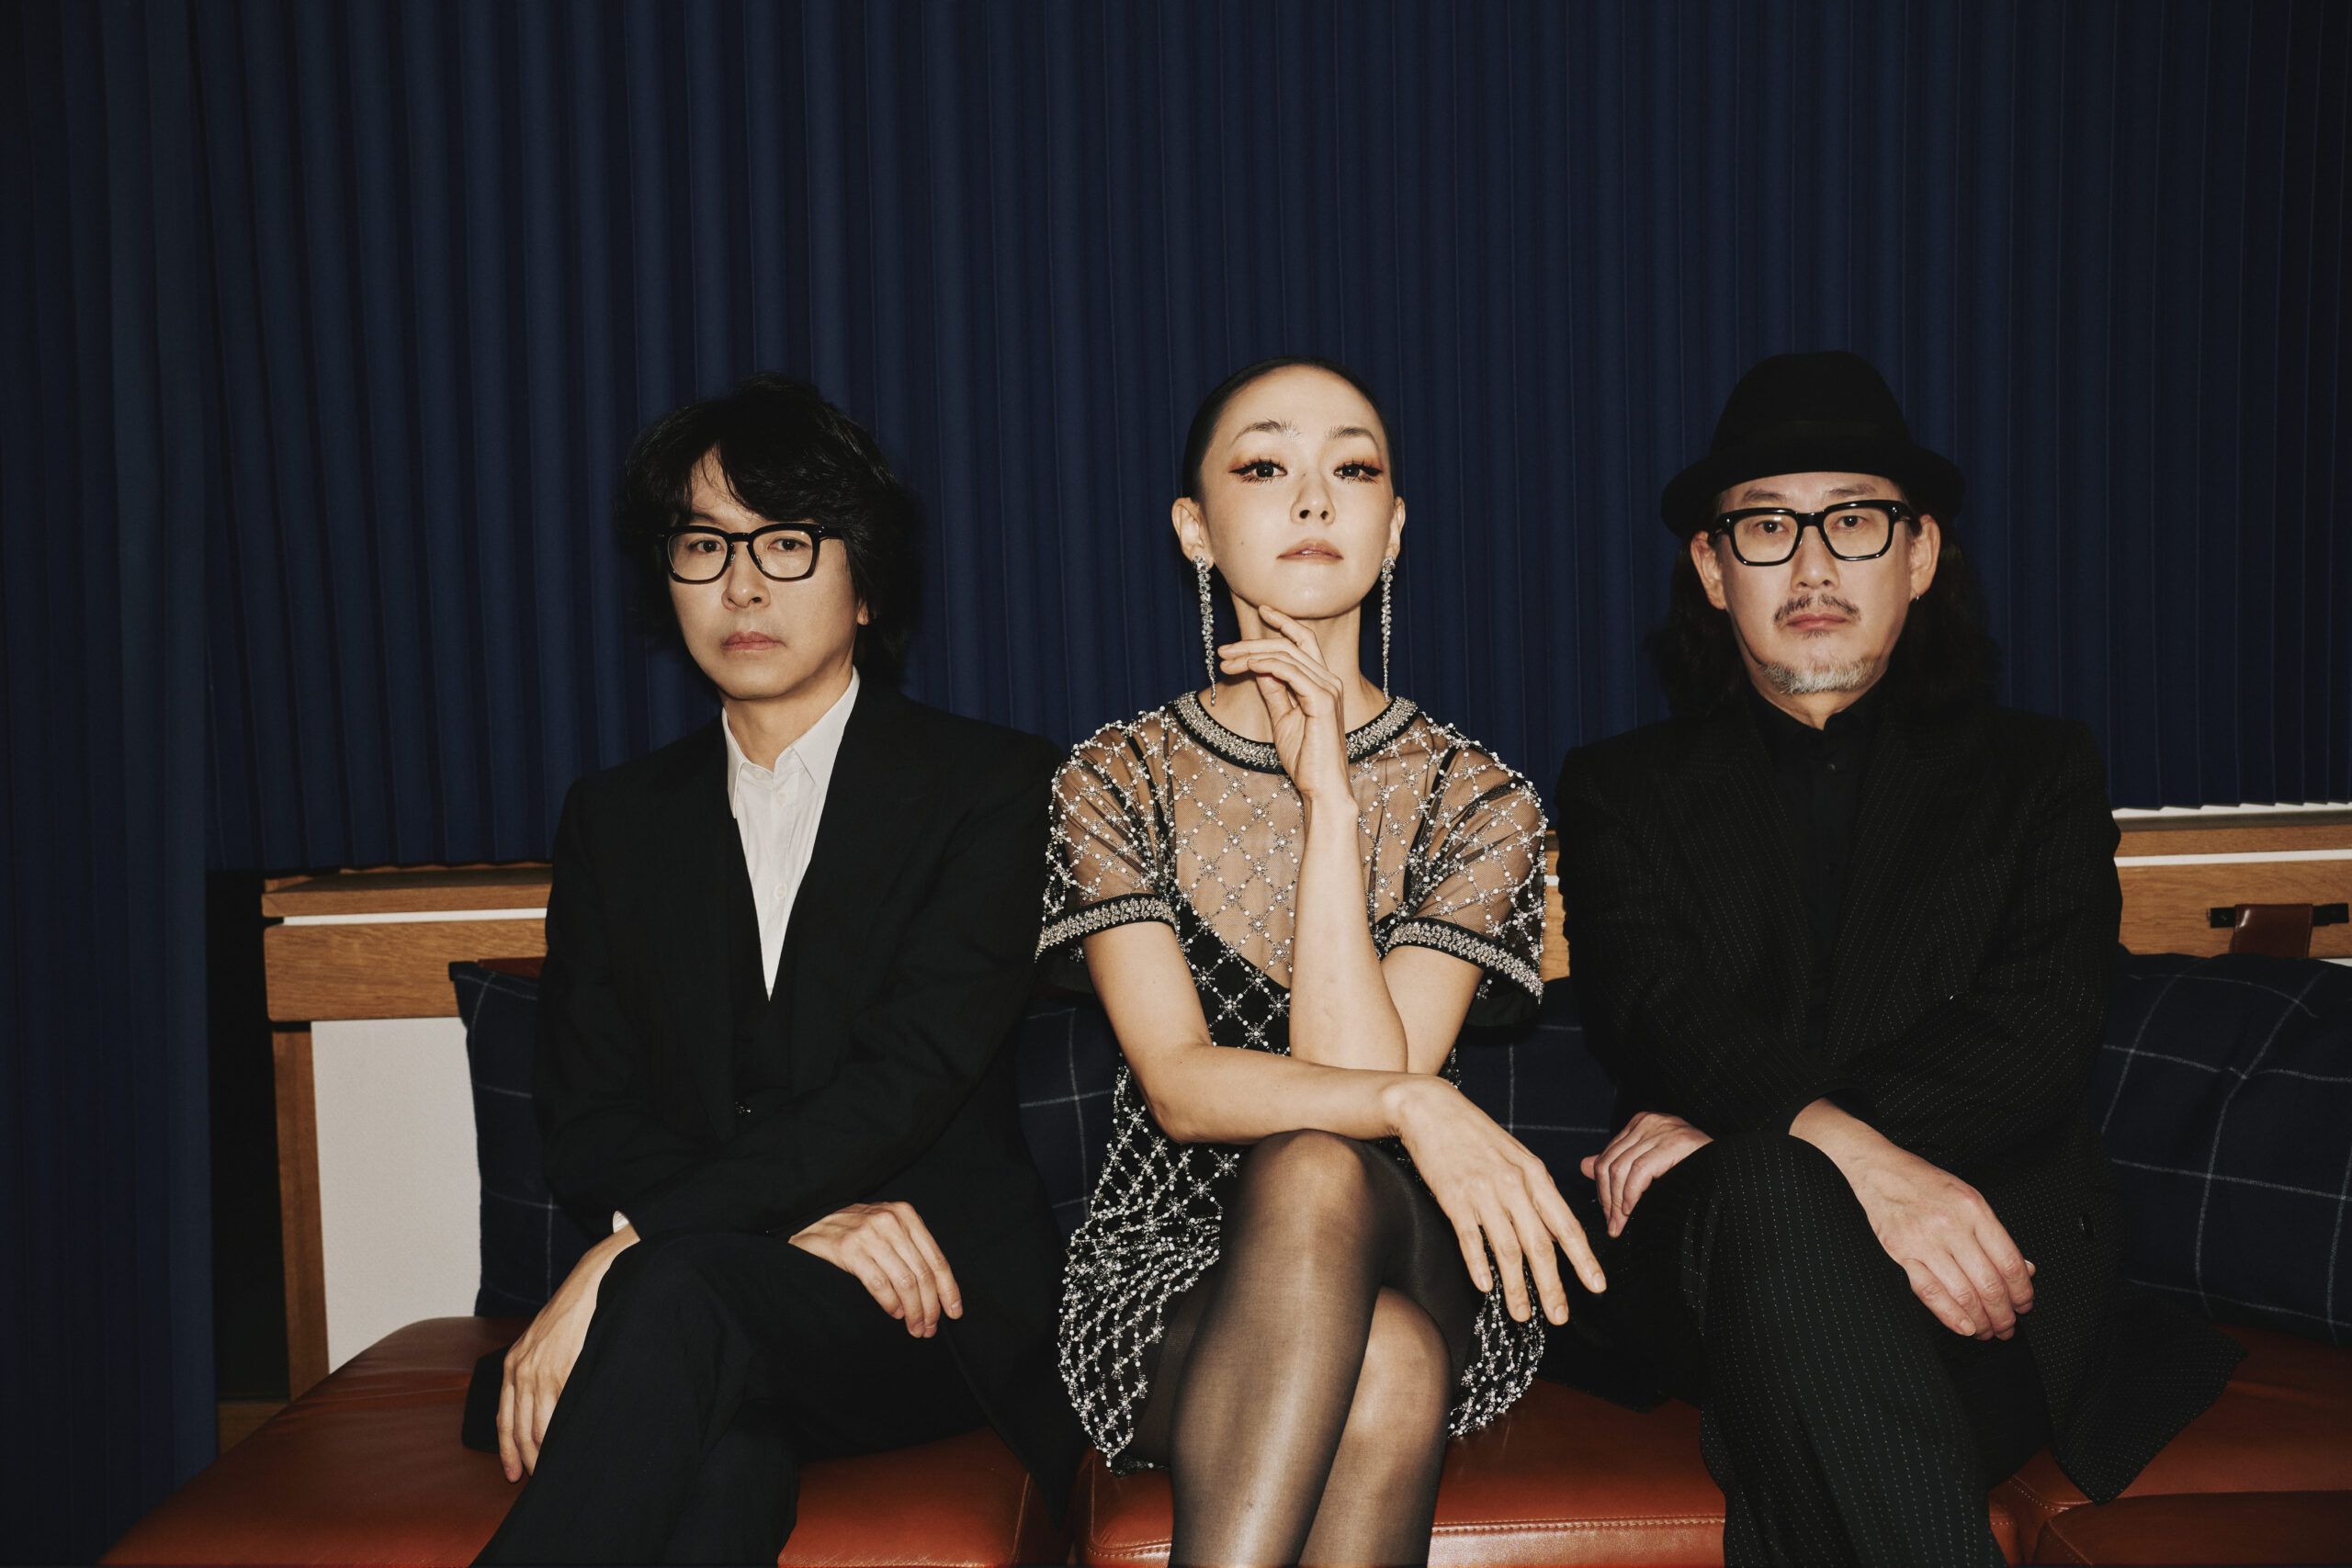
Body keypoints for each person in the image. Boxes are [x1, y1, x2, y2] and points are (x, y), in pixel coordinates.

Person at [1548, 350, 2244, 1566]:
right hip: (1713, 1254)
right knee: (1770, 1203)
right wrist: (1845, 1161)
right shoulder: (1620, 790)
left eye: (1855, 522)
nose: (1813, 566)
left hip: (1985, 1262)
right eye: (1768, 526)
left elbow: (2038, 1028)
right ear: (1712, 569)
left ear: (1919, 556)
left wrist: (1772, 1130)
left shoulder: (2040, 772)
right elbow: (1654, 1012)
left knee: (1793, 1346)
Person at [470, 375, 1081, 1563]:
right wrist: (792, 1221)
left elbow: (904, 1080)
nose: (741, 585)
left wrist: (636, 1244)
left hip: (925, 1309)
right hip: (722, 1310)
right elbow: (585, 1116)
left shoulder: (994, 788)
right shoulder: (615, 819)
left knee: (673, 1295)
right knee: (725, 1454)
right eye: (704, 544)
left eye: (786, 542)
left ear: (866, 582)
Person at [1043, 356, 1606, 1565]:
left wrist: (1334, 806)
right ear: (1194, 530)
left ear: (1393, 529)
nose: (1311, 499)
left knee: (1315, 1167)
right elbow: (1182, 1089)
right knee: (1384, 1363)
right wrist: (1414, 1099)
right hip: (1166, 1267)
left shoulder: (1480, 798)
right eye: (1264, 467)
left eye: (1352, 470)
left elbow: (1345, 1094)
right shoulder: (1113, 778)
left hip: (1409, 1239)